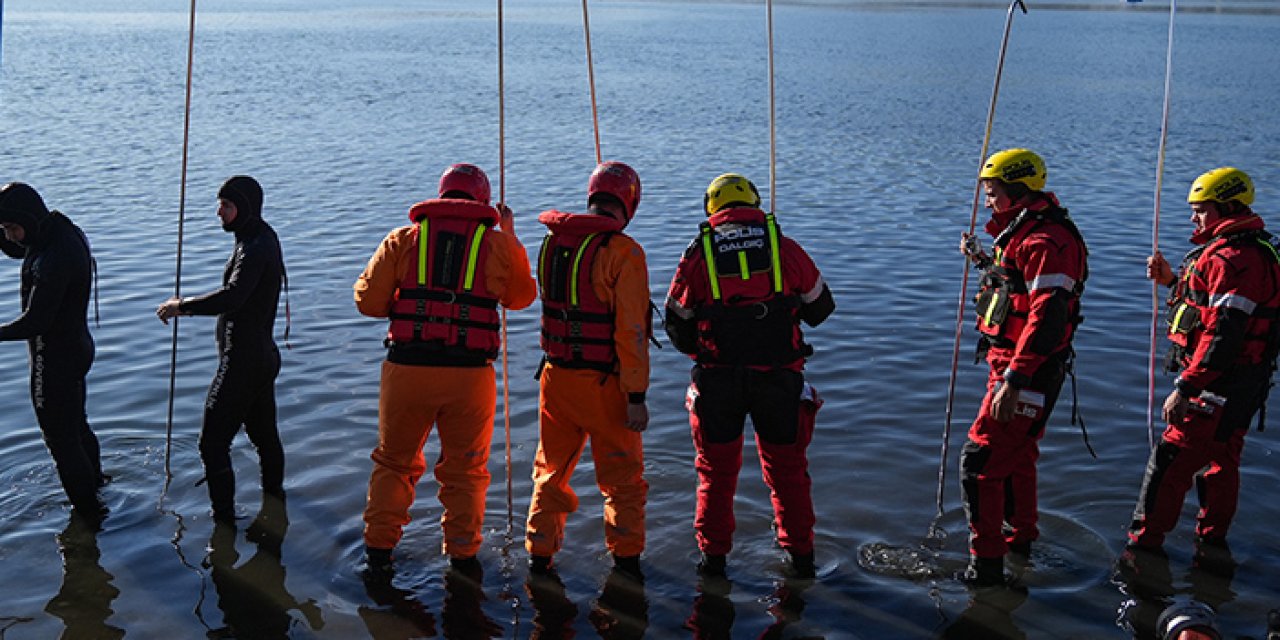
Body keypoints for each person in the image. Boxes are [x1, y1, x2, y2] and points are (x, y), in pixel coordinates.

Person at [355, 163, 536, 574]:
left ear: (441, 196)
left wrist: (411, 303)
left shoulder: (403, 239)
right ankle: (462, 557)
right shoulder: (497, 244)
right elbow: (521, 297)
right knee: (466, 473)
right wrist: (510, 235)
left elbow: (367, 302)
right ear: (483, 202)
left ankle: (378, 554)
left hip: (407, 371)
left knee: (394, 464)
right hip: (469, 377)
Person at [664, 173, 835, 580]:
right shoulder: (784, 247)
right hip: (779, 381)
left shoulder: (698, 253)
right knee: (787, 474)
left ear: (712, 208)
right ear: (755, 204)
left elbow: (676, 325)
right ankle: (802, 561)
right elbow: (821, 310)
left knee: (715, 475)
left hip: (718, 384)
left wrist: (708, 348)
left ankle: (713, 563)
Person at [1127, 167, 1280, 552]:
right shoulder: (1246, 251)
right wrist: (1170, 282)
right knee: (1221, 461)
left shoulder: (1234, 259)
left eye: (1200, 210)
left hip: (1218, 384)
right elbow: (1211, 309)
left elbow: (1224, 335)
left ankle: (1142, 551)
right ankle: (1212, 547)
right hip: (1246, 380)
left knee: (1170, 460)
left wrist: (1185, 387)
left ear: (1227, 207)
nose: (1192, 218)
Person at [957, 148, 1088, 587]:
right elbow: (1014, 284)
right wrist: (981, 260)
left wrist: (1015, 379)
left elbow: (1047, 316)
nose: (987, 201)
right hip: (1013, 365)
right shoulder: (1022, 231)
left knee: (980, 462)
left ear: (1018, 191)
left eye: (993, 192)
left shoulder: (1046, 240)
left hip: (1026, 371)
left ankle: (986, 568)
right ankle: (1021, 542)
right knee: (1015, 458)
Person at [524, 161, 651, 580]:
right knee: (623, 481)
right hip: (606, 384)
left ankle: (539, 557)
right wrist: (636, 396)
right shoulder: (624, 252)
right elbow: (631, 331)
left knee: (550, 472)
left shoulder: (551, 243)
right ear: (629, 202)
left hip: (555, 377)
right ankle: (626, 564)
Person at [157, 175, 287, 522]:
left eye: (226, 205)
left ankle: (224, 524)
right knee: (264, 438)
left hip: (243, 362)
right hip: (261, 357)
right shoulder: (260, 237)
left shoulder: (255, 247)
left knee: (212, 444)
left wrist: (181, 306)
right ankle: (276, 503)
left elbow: (233, 297)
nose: (219, 212)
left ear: (244, 207)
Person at [0, 182, 106, 518]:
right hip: (76, 349)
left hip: (54, 358)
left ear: (27, 219)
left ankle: (88, 517)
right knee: (77, 427)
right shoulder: (59, 230)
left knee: (61, 441)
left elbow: (35, 322)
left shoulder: (53, 259)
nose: (10, 236)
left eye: (11, 227)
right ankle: (98, 489)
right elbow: (19, 248)